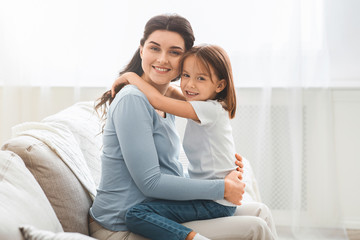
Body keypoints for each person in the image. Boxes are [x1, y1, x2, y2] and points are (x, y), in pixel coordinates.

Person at [90, 14, 276, 240]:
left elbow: (196, 143)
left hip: (162, 210)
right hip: (125, 223)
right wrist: (221, 187)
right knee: (255, 228)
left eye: (174, 52)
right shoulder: (133, 99)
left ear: (185, 59)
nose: (162, 59)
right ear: (142, 51)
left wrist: (223, 165)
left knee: (260, 211)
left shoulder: (170, 98)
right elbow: (151, 183)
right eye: (154, 48)